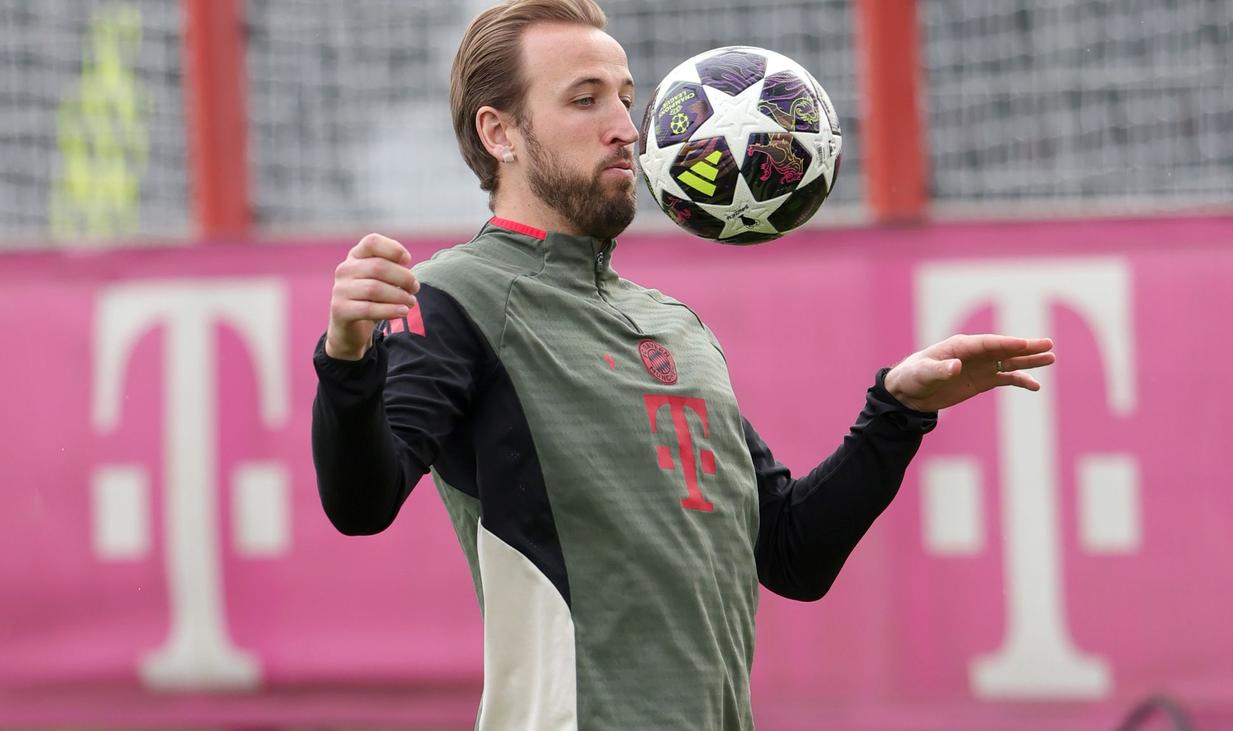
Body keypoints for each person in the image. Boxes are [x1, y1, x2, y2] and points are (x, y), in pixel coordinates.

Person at [310, 1, 1055, 729]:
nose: (626, 128)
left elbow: (793, 554)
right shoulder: (454, 296)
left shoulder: (675, 326)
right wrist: (347, 357)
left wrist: (897, 410)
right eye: (585, 99)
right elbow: (362, 503)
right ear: (499, 132)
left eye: (626, 98)